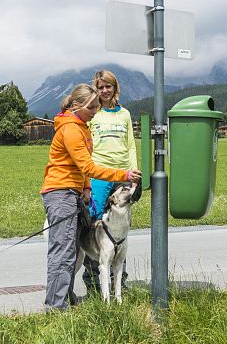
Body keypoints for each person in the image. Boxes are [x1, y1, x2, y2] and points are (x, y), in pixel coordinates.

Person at [41, 83, 141, 311]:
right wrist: (123, 174)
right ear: (76, 105)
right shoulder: (71, 129)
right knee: (64, 251)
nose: (96, 111)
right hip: (60, 192)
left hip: (74, 191)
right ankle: (55, 308)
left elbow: (82, 168)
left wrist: (85, 188)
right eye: (92, 107)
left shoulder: (81, 126)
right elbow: (89, 165)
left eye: (98, 107)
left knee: (74, 250)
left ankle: (66, 297)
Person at [82, 70, 139, 295]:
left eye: (109, 86)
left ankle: (119, 282)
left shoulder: (124, 114)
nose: (105, 91)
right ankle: (94, 283)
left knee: (120, 229)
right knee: (95, 227)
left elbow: (131, 144)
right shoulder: (93, 114)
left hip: (122, 176)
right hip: (98, 176)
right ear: (96, 89)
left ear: (115, 88)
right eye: (101, 87)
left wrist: (133, 174)